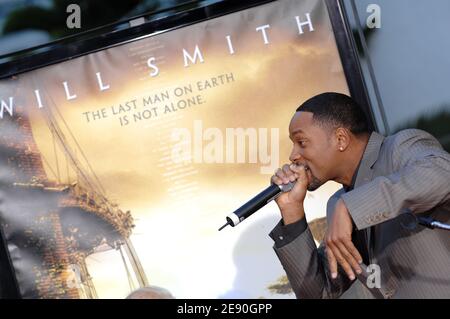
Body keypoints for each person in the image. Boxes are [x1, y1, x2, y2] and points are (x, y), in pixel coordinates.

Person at [269, 92, 450, 299]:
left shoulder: (399, 148)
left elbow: (442, 171)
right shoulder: (337, 202)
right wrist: (292, 211)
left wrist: (351, 207)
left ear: (341, 139)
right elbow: (319, 293)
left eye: (301, 142)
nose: (293, 156)